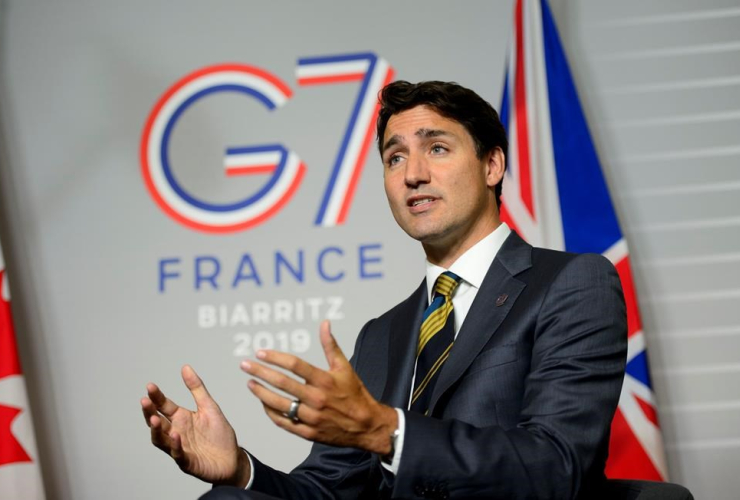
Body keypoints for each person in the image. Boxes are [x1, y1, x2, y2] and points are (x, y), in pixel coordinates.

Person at [141, 80, 627, 499]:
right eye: (395, 157)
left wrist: (388, 432)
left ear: (492, 166)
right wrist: (239, 471)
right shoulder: (382, 334)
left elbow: (558, 466)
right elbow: (327, 490)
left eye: (437, 148)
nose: (413, 173)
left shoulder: (572, 283)